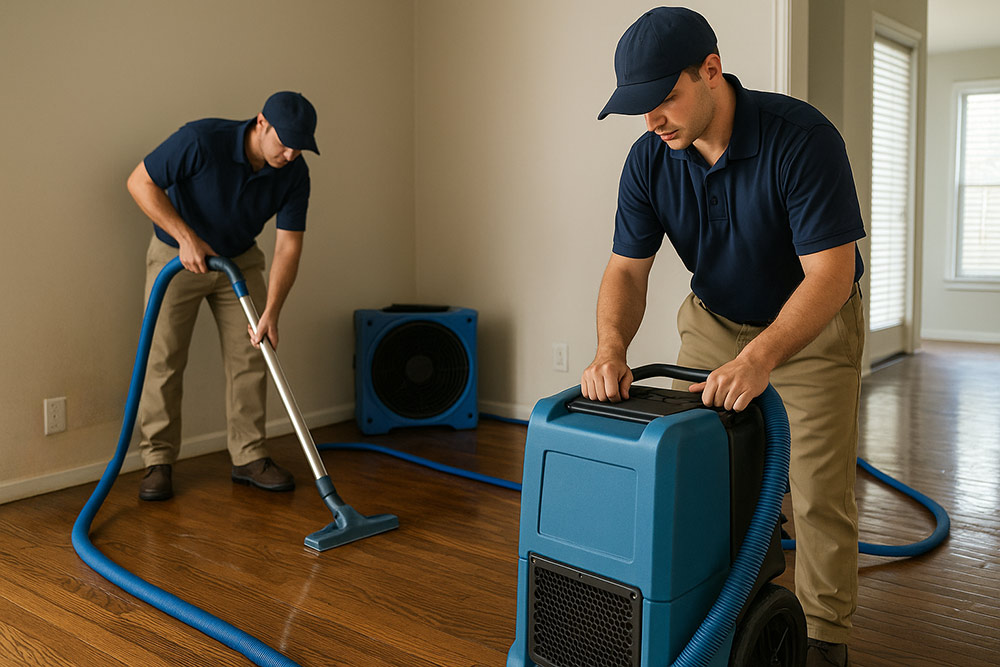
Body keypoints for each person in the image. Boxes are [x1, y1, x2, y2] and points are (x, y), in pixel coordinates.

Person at [582, 8, 865, 667]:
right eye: (640, 108)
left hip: (809, 321)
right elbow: (626, 269)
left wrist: (762, 356)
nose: (653, 120)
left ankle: (824, 638)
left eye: (664, 99)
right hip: (714, 318)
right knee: (702, 473)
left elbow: (832, 271)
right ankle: (719, 610)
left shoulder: (801, 138)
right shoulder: (650, 159)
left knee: (818, 486)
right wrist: (609, 349)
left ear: (711, 71)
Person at [126, 91, 320, 502]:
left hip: (239, 259)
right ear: (261, 123)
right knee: (163, 357)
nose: (289, 154)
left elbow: (288, 246)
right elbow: (139, 182)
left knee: (253, 353)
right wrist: (185, 238)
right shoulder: (200, 140)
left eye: (298, 148)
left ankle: (249, 456)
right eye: (283, 143)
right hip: (176, 259)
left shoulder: (293, 172)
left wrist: (272, 311)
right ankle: (157, 461)